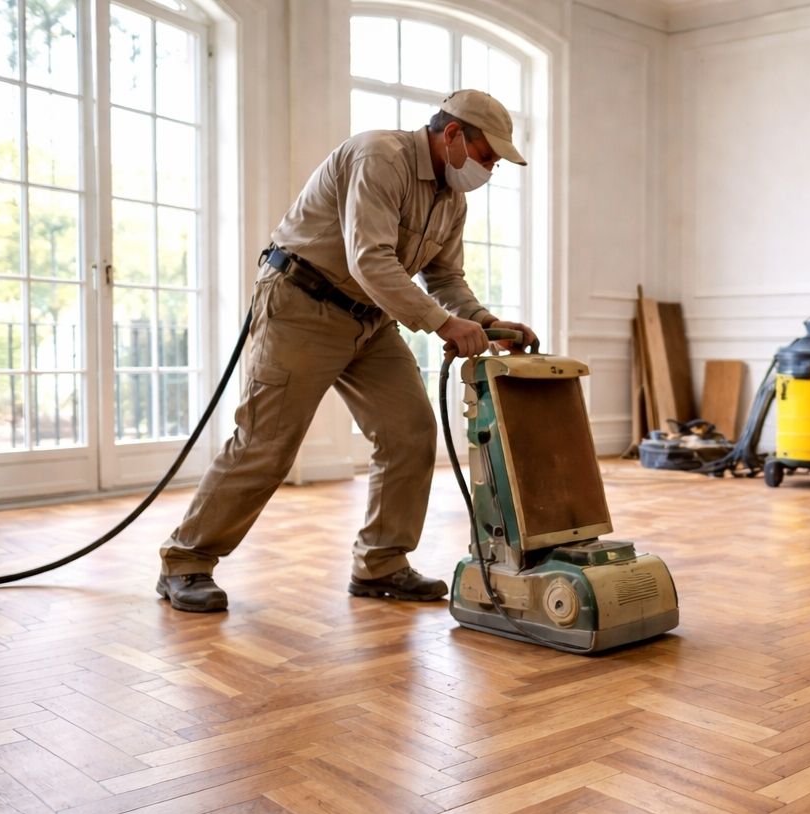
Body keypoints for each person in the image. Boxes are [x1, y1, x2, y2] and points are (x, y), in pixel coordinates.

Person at [156, 89, 538, 613]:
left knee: (409, 431)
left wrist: (486, 323)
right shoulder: (379, 157)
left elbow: (445, 277)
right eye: (486, 155)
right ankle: (185, 561)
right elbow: (370, 259)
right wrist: (443, 324)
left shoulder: (452, 199)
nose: (488, 169)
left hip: (371, 319)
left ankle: (381, 564)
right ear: (452, 134)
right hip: (301, 304)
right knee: (267, 443)